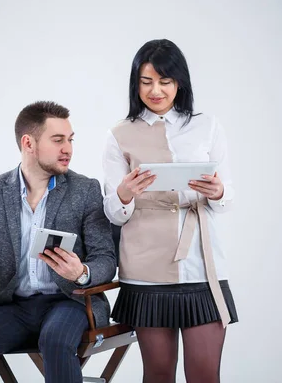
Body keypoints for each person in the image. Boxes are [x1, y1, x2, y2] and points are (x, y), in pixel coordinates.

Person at [0, 101, 117, 383]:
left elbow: (105, 258)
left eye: (70, 140)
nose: (67, 148)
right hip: (13, 308)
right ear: (28, 143)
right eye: (57, 140)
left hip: (70, 302)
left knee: (55, 341)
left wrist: (82, 273)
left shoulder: (85, 190)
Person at [102, 39, 239, 383]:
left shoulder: (207, 126)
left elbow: (227, 196)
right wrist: (124, 193)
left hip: (201, 266)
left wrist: (218, 191)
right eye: (146, 82)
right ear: (136, 84)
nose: (155, 90)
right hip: (146, 268)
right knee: (159, 374)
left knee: (205, 375)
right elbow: (114, 212)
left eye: (164, 81)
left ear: (180, 82)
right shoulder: (119, 134)